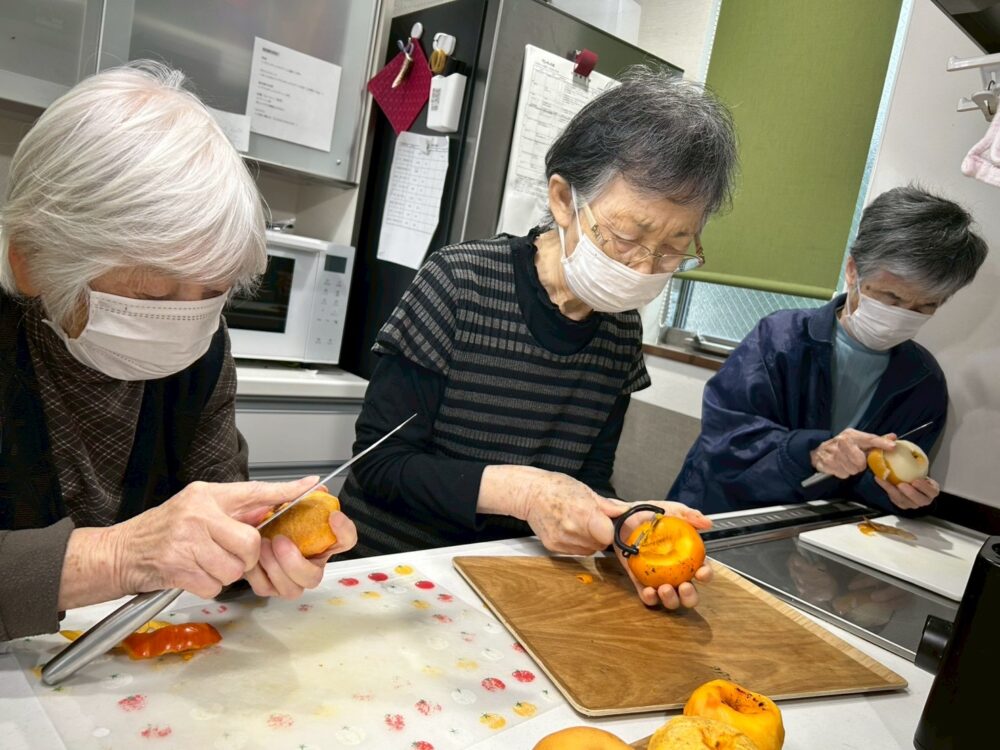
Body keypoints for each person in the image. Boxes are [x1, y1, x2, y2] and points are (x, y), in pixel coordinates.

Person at [341, 68, 738, 610]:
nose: (645, 265)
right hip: (395, 580)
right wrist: (526, 494)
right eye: (627, 236)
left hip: (512, 591)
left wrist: (629, 530)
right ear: (562, 200)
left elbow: (589, 479)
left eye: (675, 247)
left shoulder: (620, 330)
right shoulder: (461, 282)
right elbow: (380, 465)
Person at [0, 62, 357, 641]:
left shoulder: (202, 350)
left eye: (212, 292)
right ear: (33, 260)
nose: (184, 319)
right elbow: (143, 554)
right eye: (150, 293)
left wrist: (261, 549)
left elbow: (217, 521)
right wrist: (120, 556)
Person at [669, 186, 988, 515]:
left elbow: (874, 485)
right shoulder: (780, 339)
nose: (902, 315)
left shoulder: (922, 382)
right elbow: (726, 441)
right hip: (715, 516)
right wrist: (812, 452)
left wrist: (903, 497)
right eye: (891, 297)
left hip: (815, 538)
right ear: (852, 270)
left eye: (924, 306)